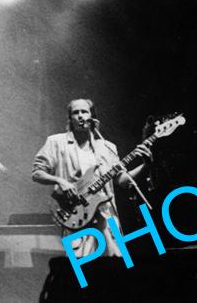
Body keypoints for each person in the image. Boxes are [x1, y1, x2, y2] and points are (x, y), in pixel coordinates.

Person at [31, 98, 152, 257]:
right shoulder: (56, 142)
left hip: (107, 218)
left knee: (116, 269)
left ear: (93, 117)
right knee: (83, 271)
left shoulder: (107, 147)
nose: (81, 116)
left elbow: (122, 181)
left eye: (84, 112)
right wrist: (60, 181)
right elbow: (37, 173)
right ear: (70, 119)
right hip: (77, 217)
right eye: (76, 112)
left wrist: (146, 165)